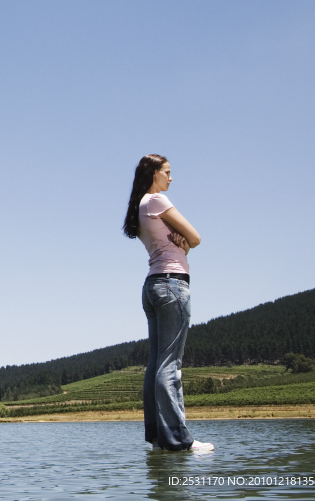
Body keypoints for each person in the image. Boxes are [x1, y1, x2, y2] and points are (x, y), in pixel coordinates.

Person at [123, 154, 213, 453]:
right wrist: (187, 243)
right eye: (168, 172)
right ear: (154, 173)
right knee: (169, 366)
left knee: (155, 366)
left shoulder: (139, 208)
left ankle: (159, 439)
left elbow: (180, 241)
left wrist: (183, 242)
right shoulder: (156, 201)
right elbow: (196, 238)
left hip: (152, 286)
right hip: (172, 284)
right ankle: (179, 440)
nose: (171, 178)